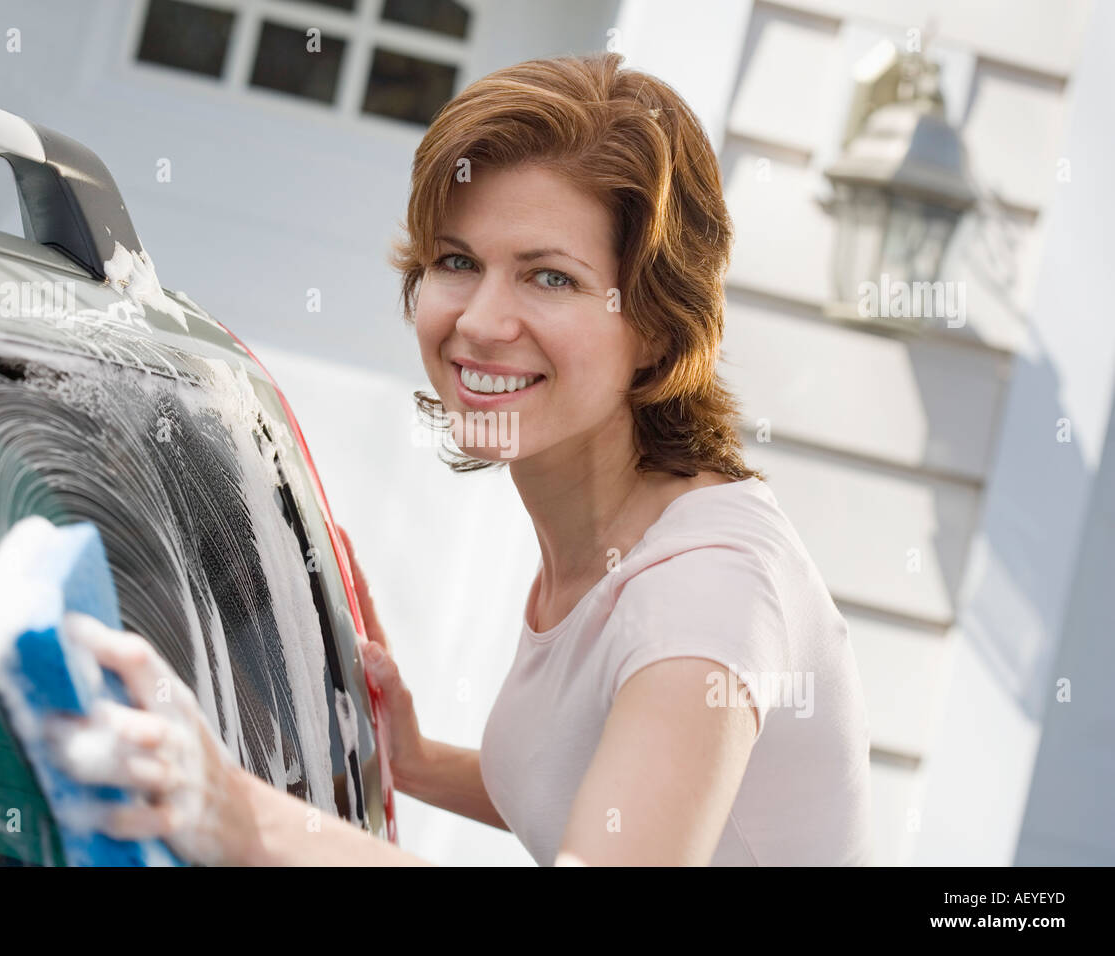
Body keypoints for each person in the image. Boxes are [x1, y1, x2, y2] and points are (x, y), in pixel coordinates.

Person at [43, 50, 872, 866]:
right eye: (457, 262)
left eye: (549, 278)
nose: (481, 320)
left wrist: (239, 817)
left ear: (655, 325)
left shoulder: (705, 593)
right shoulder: (606, 533)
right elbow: (607, 790)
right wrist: (415, 761)